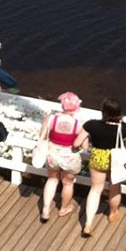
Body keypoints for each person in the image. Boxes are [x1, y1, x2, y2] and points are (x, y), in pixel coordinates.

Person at [75, 97, 126, 237]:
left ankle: (88, 224)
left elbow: (77, 142)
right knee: (114, 188)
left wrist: (87, 141)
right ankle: (113, 212)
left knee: (95, 189)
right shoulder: (124, 127)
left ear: (103, 111)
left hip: (97, 158)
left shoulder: (91, 125)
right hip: (116, 160)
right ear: (119, 112)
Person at [38, 91, 82, 222]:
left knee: (52, 180)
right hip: (70, 158)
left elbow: (42, 136)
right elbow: (83, 145)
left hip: (53, 155)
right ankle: (64, 208)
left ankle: (45, 210)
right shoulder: (78, 124)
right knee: (67, 184)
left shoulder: (51, 118)